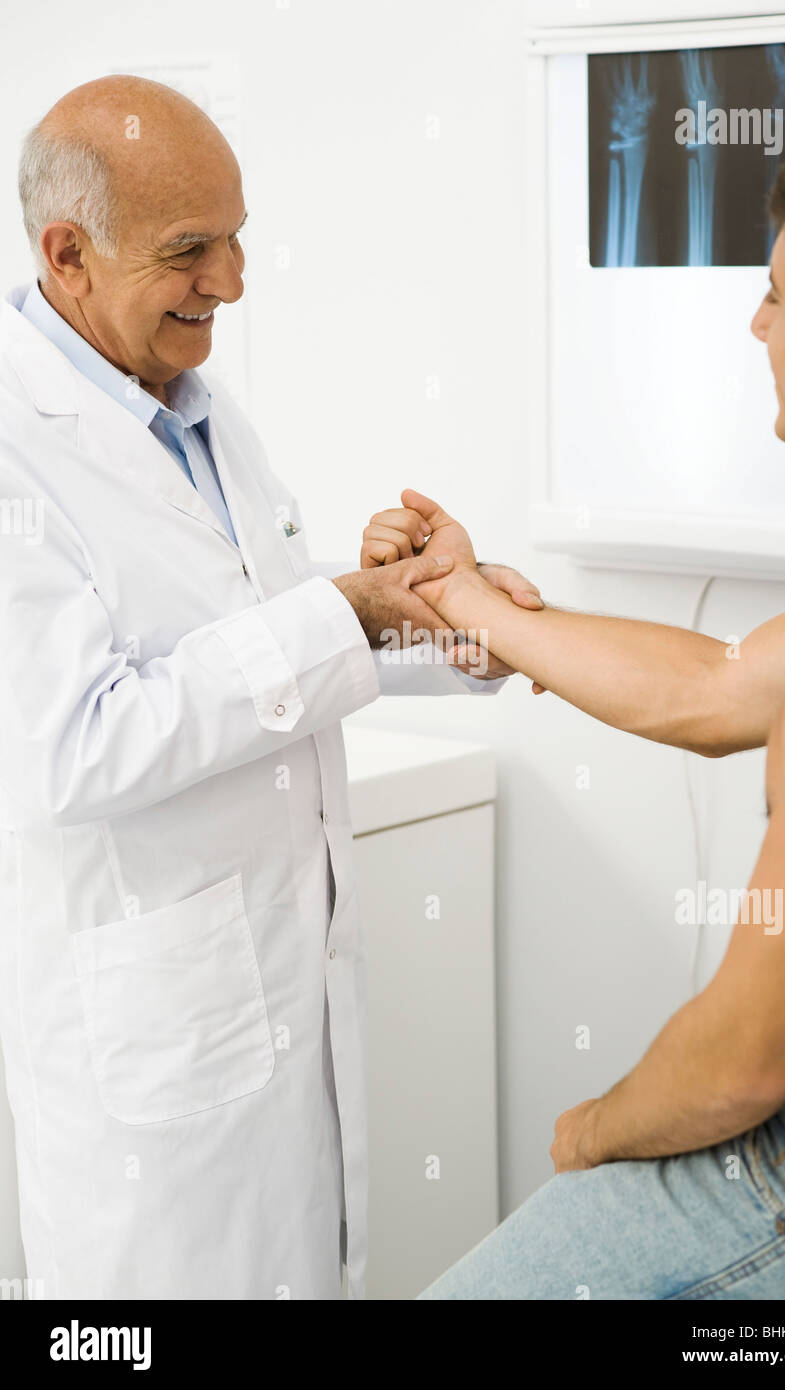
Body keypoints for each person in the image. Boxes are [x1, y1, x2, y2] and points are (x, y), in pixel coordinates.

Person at [0, 73, 540, 1300]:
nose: (233, 283)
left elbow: (269, 649)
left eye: (238, 238)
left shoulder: (192, 408)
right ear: (68, 253)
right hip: (155, 1068)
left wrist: (452, 619)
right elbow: (71, 749)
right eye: (193, 250)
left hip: (283, 1009)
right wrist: (340, 611)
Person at [365, 142, 785, 1299]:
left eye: (774, 295)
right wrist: (463, 595)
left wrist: (592, 1128)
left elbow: (739, 1066)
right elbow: (712, 685)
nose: (753, 327)